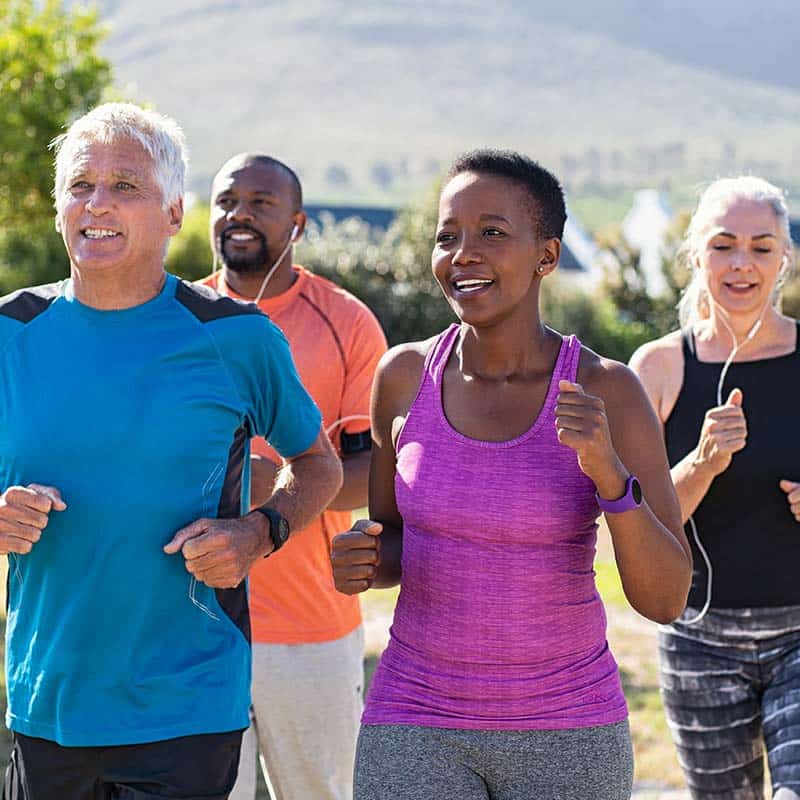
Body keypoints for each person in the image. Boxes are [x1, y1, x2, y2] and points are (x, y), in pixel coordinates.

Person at [0, 103, 342, 800]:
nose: (97, 204)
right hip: (44, 701)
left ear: (174, 212)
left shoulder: (237, 339)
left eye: (125, 186)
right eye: (80, 185)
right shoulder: (11, 331)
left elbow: (321, 465)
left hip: (187, 704)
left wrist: (260, 530)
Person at [330, 149, 691, 800]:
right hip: (415, 716)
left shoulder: (608, 388)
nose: (462, 253)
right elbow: (393, 542)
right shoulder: (403, 377)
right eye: (448, 236)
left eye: (492, 233)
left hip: (566, 729)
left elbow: (665, 599)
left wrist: (609, 475)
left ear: (547, 256)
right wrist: (365, 555)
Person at [202, 153, 387, 800]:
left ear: (298, 223)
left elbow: (378, 474)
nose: (240, 215)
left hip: (311, 628)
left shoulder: (347, 323)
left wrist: (276, 481)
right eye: (227, 201)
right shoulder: (176, 320)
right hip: (194, 624)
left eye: (261, 202)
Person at [630, 176, 800, 800]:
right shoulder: (658, 368)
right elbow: (633, 521)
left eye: (761, 247)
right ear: (697, 253)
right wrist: (701, 461)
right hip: (699, 641)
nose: (741, 264)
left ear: (784, 258)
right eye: (724, 244)